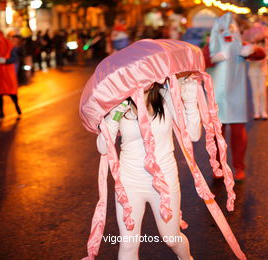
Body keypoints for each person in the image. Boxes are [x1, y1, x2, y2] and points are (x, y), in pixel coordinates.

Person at [96, 76, 201, 260]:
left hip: (164, 181)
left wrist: (191, 102)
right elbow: (103, 148)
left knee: (172, 239)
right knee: (128, 243)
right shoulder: (119, 103)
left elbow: (193, 134)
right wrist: (113, 118)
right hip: (130, 182)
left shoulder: (166, 96)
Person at [205, 13, 255, 181]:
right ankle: (218, 166)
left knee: (238, 133)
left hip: (236, 96)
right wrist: (212, 59)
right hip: (217, 96)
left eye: (231, 28)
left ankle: (239, 167)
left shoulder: (241, 45)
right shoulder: (211, 46)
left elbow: (259, 54)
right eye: (222, 29)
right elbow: (201, 61)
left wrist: (252, 50)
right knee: (216, 133)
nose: (227, 32)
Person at [0, 28, 21, 120]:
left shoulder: (8, 45)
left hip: (6, 74)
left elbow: (14, 58)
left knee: (11, 92)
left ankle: (17, 106)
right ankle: (1, 113)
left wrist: (6, 60)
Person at [248, 39, 268, 120]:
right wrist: (251, 58)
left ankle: (263, 111)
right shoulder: (250, 48)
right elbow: (246, 58)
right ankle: (256, 112)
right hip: (253, 72)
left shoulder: (265, 47)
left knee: (262, 92)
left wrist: (265, 59)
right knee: (255, 92)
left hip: (262, 72)